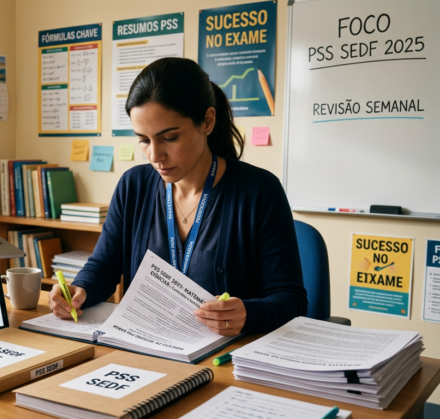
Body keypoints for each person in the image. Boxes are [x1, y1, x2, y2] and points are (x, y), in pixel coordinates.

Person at [48, 58, 307, 336]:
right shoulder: (133, 186)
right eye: (144, 140)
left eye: (169, 138)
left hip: (225, 353)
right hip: (145, 345)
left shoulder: (260, 191)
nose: (155, 155)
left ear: (207, 121)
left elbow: (291, 300)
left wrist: (249, 314)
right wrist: (80, 289)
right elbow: (103, 267)